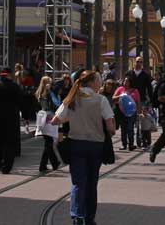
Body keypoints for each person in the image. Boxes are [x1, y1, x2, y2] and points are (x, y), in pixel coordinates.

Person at [53, 70, 116, 225]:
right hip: (96, 145)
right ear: (92, 82)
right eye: (99, 80)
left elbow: (56, 120)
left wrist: (73, 117)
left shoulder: (72, 98)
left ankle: (77, 215)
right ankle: (89, 218)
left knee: (78, 182)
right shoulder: (101, 100)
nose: (100, 83)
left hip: (76, 144)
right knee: (92, 182)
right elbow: (111, 127)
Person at [0, 68, 22, 174]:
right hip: (12, 118)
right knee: (10, 143)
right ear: (9, 76)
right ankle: (7, 167)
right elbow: (20, 102)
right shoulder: (15, 87)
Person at [35, 76, 61, 174]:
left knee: (48, 141)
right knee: (49, 141)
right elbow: (56, 104)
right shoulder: (48, 93)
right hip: (49, 117)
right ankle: (54, 162)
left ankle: (43, 165)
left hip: (43, 117)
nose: (51, 84)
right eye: (49, 82)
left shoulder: (39, 93)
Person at [112, 74, 141, 151]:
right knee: (123, 128)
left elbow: (138, 102)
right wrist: (121, 96)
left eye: (127, 81)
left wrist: (139, 111)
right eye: (124, 81)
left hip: (132, 112)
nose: (125, 82)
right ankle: (124, 144)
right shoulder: (120, 89)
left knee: (130, 128)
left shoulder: (135, 91)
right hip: (122, 112)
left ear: (130, 82)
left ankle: (131, 144)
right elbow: (113, 98)